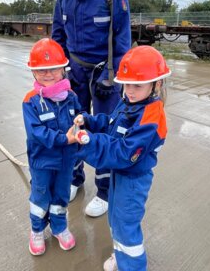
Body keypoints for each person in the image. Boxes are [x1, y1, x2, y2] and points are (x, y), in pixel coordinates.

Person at [67, 45, 171, 271]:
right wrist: (89, 121)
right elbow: (111, 125)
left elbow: (124, 153)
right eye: (126, 84)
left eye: (137, 85)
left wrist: (88, 141)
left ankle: (132, 265)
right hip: (120, 176)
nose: (130, 91)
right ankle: (121, 254)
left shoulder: (151, 118)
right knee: (115, 219)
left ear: (157, 84)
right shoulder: (131, 103)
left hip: (133, 181)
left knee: (126, 225)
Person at [52, 0, 131, 217]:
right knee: (73, 126)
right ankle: (74, 179)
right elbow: (58, 35)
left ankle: (105, 192)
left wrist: (113, 76)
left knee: (106, 132)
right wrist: (58, 73)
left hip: (104, 76)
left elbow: (122, 39)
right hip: (74, 75)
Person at [22, 38, 81, 256]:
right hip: (42, 162)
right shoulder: (30, 101)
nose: (48, 74)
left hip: (66, 161)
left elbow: (79, 116)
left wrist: (82, 124)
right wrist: (64, 139)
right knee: (40, 197)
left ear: (63, 69)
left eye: (53, 69)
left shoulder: (72, 97)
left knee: (61, 196)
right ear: (33, 73)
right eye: (41, 70)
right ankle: (37, 231)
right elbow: (37, 133)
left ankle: (59, 227)